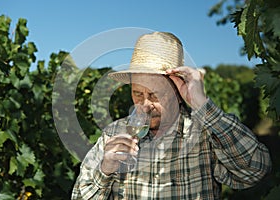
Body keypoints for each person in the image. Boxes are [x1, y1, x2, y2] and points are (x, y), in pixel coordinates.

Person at [71, 32, 272, 199]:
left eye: (154, 94)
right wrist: (105, 170)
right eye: (137, 93)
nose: (145, 105)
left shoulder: (204, 134)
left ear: (176, 92)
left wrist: (202, 104)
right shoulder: (113, 134)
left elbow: (255, 172)